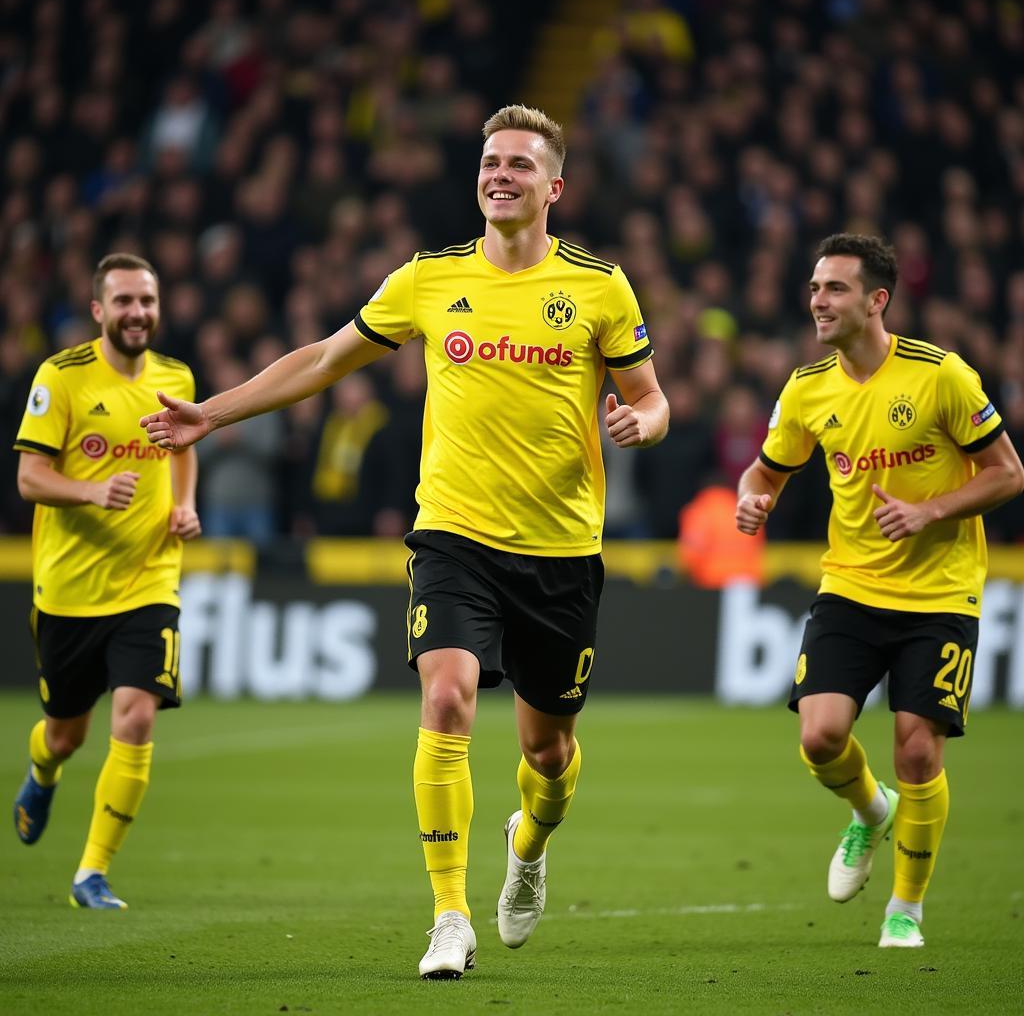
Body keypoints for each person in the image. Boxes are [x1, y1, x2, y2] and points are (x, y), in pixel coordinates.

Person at [139, 104, 668, 977]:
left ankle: (528, 843)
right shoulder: (427, 278)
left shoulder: (601, 289)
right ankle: (449, 913)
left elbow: (652, 395)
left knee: (549, 752)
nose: (501, 174)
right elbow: (322, 359)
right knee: (449, 699)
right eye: (491, 162)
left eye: (520, 166)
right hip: (452, 537)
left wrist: (643, 421)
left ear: (555, 187)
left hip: (561, 550)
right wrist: (213, 412)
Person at [735, 233, 1023, 948]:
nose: (817, 302)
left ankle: (906, 907)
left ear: (876, 300)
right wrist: (754, 499)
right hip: (852, 586)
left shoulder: (941, 376)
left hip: (940, 593)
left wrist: (929, 511)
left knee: (918, 751)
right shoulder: (807, 388)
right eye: (813, 288)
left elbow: (1008, 472)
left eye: (833, 288)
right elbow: (765, 471)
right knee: (821, 736)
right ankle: (870, 811)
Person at [12, 253, 201, 910]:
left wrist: (184, 504)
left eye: (146, 301)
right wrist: (90, 491)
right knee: (66, 733)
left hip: (149, 580)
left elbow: (183, 445)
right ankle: (42, 769)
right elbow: (30, 477)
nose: (137, 313)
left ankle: (91, 872)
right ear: (99, 310)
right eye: (123, 301)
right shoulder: (60, 378)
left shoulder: (176, 375)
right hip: (68, 591)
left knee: (138, 714)